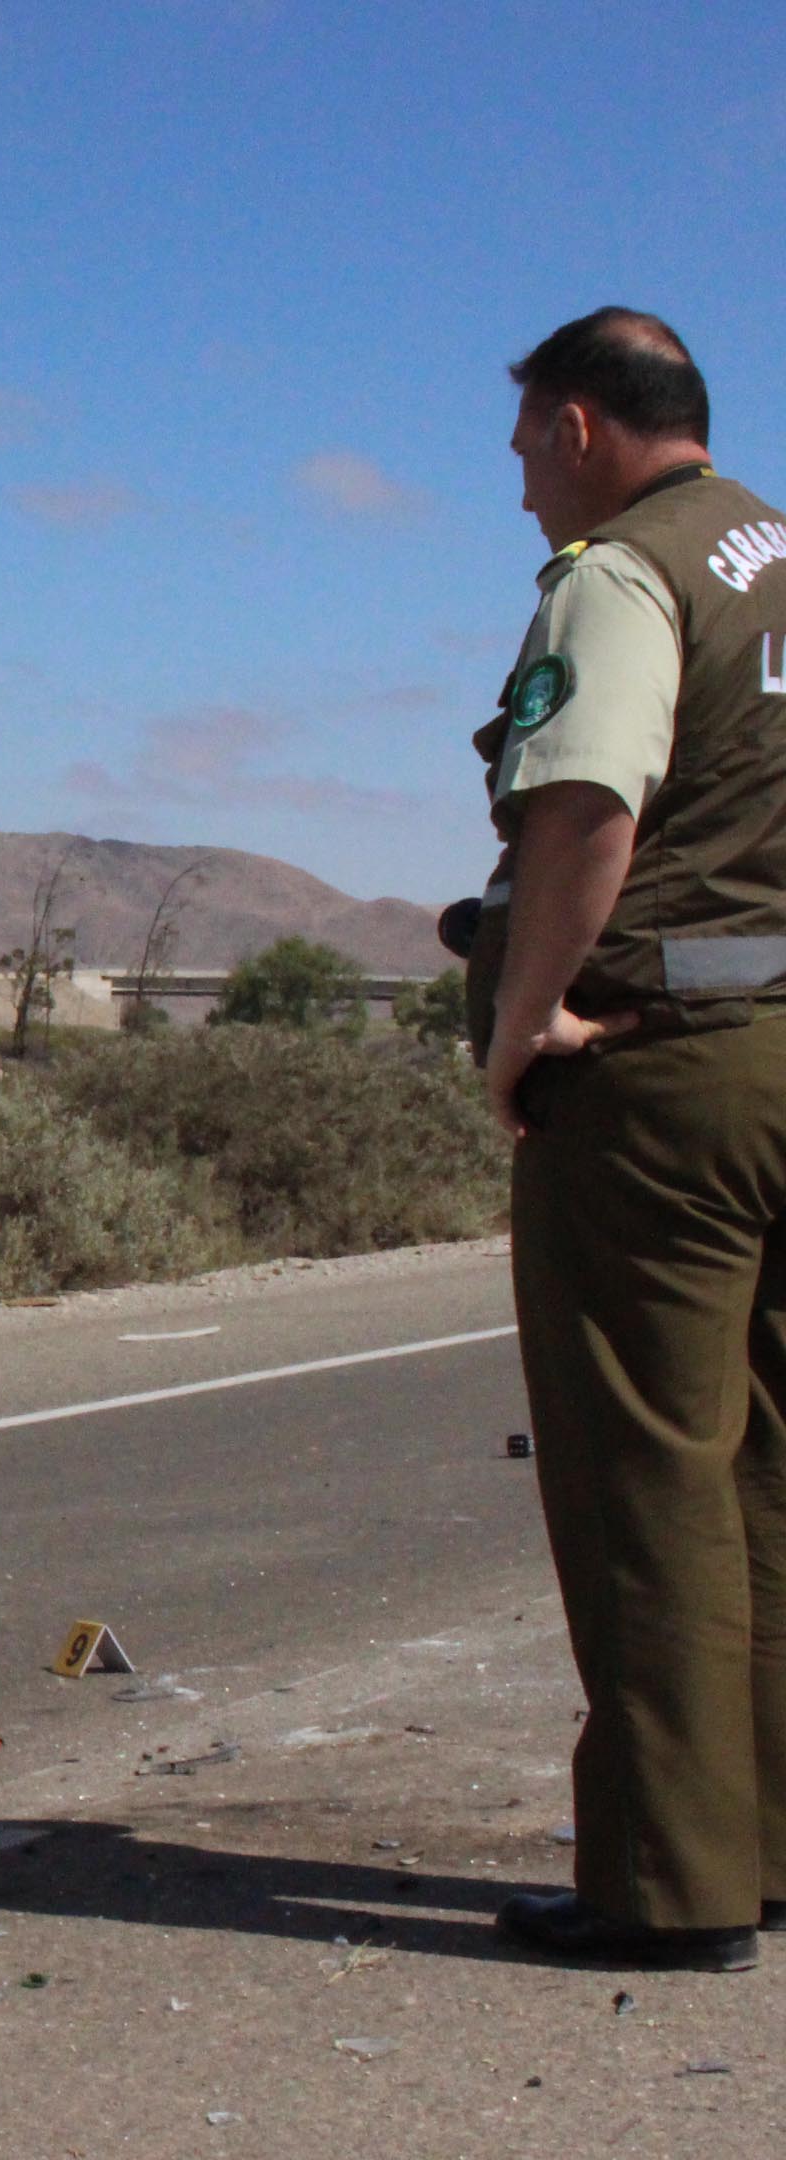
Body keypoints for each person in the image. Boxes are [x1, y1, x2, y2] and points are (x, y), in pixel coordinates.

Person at [465, 308, 786, 1972]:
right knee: (769, 1461)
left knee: (646, 1462)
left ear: (584, 425)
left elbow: (589, 802)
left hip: (664, 1070)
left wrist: (527, 1024)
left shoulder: (621, 571)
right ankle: (767, 1834)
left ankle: (670, 1879)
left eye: (526, 445)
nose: (520, 481)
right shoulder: (775, 561)